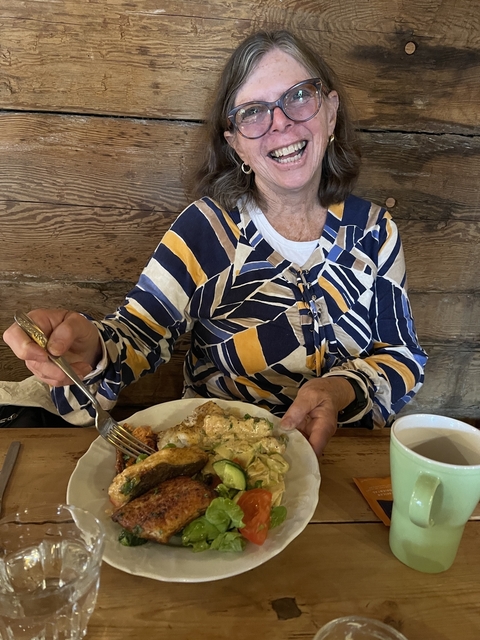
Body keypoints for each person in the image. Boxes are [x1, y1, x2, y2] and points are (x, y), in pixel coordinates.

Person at [2, 30, 427, 455]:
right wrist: (91, 349)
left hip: (342, 457)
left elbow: (403, 357)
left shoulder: (374, 231)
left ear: (330, 113)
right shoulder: (208, 229)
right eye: (253, 112)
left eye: (299, 96)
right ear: (235, 143)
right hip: (221, 463)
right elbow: (137, 334)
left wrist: (338, 391)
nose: (280, 123)